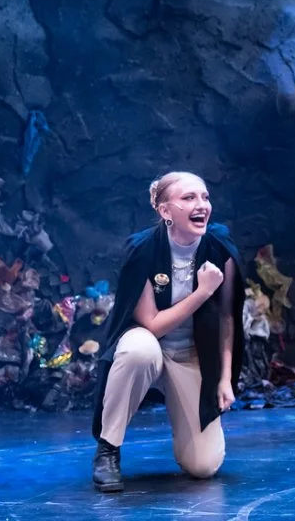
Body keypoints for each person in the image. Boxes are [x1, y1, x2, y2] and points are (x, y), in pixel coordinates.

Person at [90, 171, 245, 492]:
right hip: (149, 344)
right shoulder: (144, 248)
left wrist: (225, 378)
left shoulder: (219, 246)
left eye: (204, 197)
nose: (201, 204)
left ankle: (188, 439)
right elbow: (151, 323)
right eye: (188, 198)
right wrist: (202, 292)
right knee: (138, 350)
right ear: (165, 211)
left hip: (191, 355)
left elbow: (229, 317)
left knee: (204, 467)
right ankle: (108, 449)